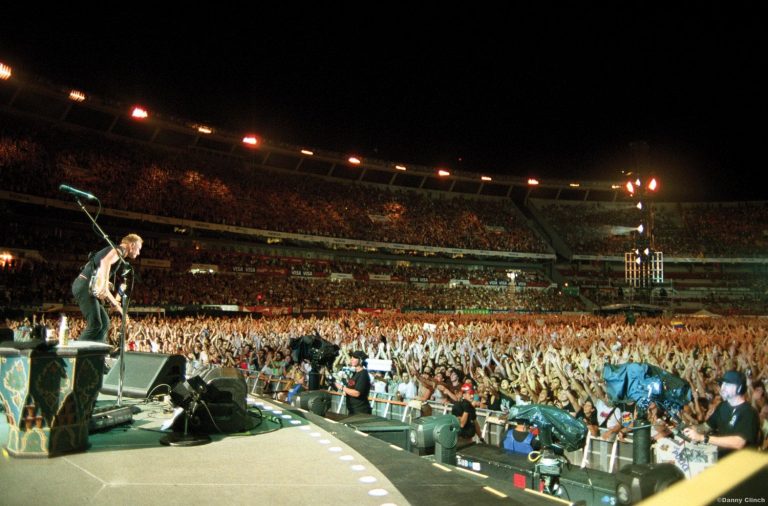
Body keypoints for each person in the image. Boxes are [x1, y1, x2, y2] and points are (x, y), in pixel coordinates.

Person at [71, 234, 142, 342]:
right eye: (138, 248)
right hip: (84, 285)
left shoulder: (116, 255)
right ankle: (75, 355)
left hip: (86, 286)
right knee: (95, 324)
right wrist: (104, 284)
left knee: (104, 323)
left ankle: (97, 354)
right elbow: (105, 262)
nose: (138, 253)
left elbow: (103, 289)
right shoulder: (120, 249)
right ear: (132, 245)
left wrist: (120, 310)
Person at [683, 370, 761, 458]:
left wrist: (703, 438)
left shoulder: (749, 412)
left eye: (727, 384)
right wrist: (692, 429)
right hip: (723, 459)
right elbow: (707, 426)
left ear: (739, 388)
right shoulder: (723, 406)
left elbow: (738, 443)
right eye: (722, 384)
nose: (722, 387)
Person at [335, 350, 372, 415]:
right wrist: (344, 380)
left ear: (360, 360)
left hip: (361, 412)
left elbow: (357, 393)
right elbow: (350, 386)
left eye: (354, 358)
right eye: (351, 357)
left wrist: (342, 387)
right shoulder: (355, 373)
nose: (351, 359)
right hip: (353, 410)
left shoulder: (363, 374)